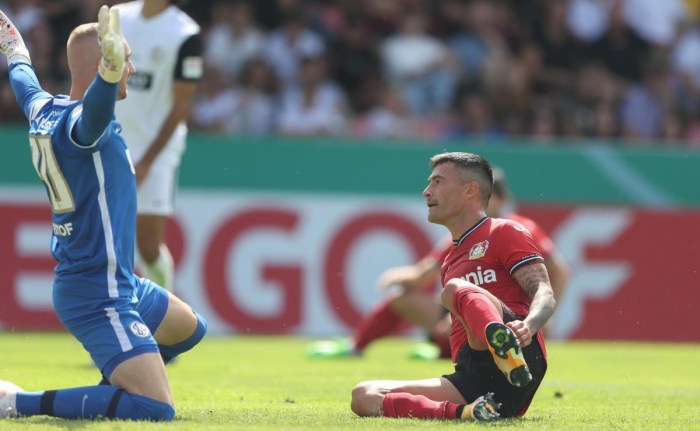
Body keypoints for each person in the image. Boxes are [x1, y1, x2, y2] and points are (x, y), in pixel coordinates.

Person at [0, 6, 206, 421]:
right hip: (97, 292)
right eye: (123, 59)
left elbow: (21, 70)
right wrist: (109, 76)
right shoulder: (83, 124)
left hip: (116, 280)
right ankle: (17, 402)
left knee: (189, 329)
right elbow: (93, 117)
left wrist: (7, 33)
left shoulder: (44, 108)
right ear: (103, 66)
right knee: (156, 409)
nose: (131, 67)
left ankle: (115, 385)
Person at [350, 152, 556, 421]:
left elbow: (544, 291)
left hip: (521, 352)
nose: (426, 192)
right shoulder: (449, 259)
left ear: (470, 190)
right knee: (364, 395)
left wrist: (529, 325)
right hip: (473, 376)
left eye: (437, 182)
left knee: (455, 290)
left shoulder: (504, 231)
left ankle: (507, 354)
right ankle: (470, 412)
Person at [307, 167, 568, 360]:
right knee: (402, 297)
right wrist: (402, 276)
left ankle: (444, 348)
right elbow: (425, 274)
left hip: (508, 316)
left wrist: (541, 317)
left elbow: (559, 272)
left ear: (497, 198)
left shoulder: (519, 229)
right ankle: (358, 345)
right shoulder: (463, 234)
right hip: (463, 313)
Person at [113, 0, 203, 292]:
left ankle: (164, 303)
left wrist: (147, 162)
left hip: (156, 149)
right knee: (103, 236)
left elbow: (182, 106)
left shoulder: (186, 33)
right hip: (111, 139)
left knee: (148, 244)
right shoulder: (116, 16)